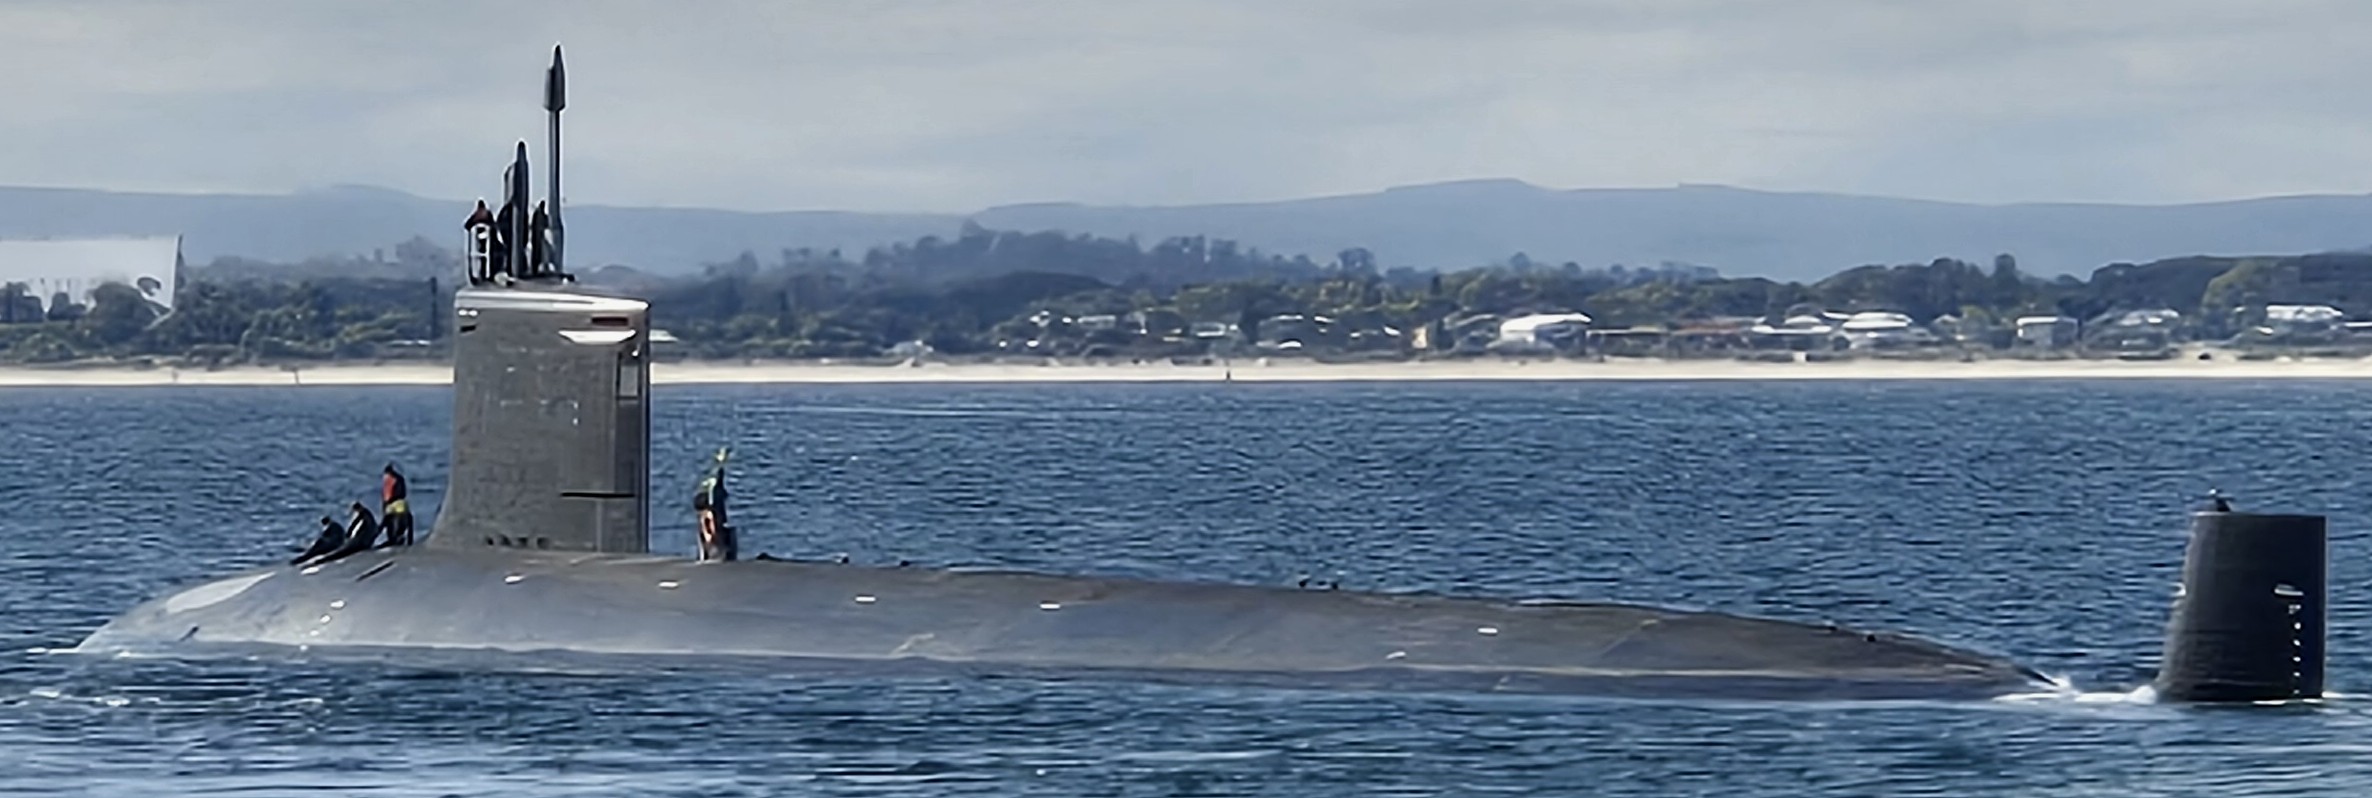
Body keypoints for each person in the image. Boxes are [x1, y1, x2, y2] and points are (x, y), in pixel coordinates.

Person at [693, 447, 736, 562]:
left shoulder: (710, 509)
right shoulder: (708, 514)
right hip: (717, 518)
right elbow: (709, 530)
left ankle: (713, 552)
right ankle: (718, 552)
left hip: (717, 516)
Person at [380, 463, 413, 547]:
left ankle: (395, 538)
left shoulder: (391, 479)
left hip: (394, 506)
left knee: (391, 523)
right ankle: (400, 538)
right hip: (400, 505)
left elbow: (388, 495)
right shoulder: (398, 479)